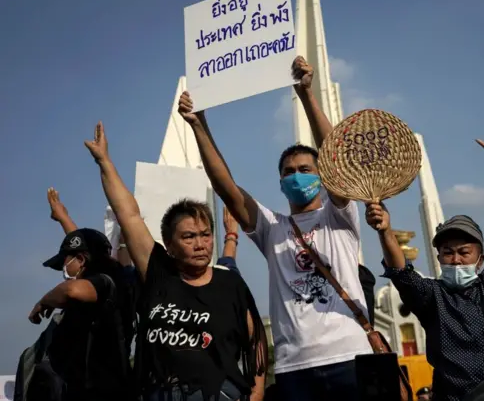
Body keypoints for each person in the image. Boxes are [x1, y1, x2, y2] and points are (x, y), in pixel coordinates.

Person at [176, 56, 372, 401]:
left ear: (322, 176)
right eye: (288, 171)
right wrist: (199, 126)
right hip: (295, 367)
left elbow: (339, 160)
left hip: (351, 358)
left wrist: (306, 94)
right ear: (280, 181)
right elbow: (228, 189)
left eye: (305, 168)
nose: (296, 175)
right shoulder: (272, 228)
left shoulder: (339, 216)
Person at [84, 121, 267, 401]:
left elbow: (255, 344)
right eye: (189, 236)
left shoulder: (230, 284)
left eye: (206, 235)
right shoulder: (158, 274)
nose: (200, 244)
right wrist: (104, 162)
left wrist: (255, 395)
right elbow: (128, 215)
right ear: (169, 244)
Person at [365, 136, 484, 401]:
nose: (455, 260)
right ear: (439, 257)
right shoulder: (431, 296)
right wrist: (385, 230)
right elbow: (401, 273)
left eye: (464, 252)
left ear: (480, 259)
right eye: (448, 252)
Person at [28, 228, 135, 401]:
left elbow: (71, 290)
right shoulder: (117, 282)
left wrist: (44, 301)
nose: (64, 270)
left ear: (80, 259)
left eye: (65, 262)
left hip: (99, 392)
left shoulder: (105, 282)